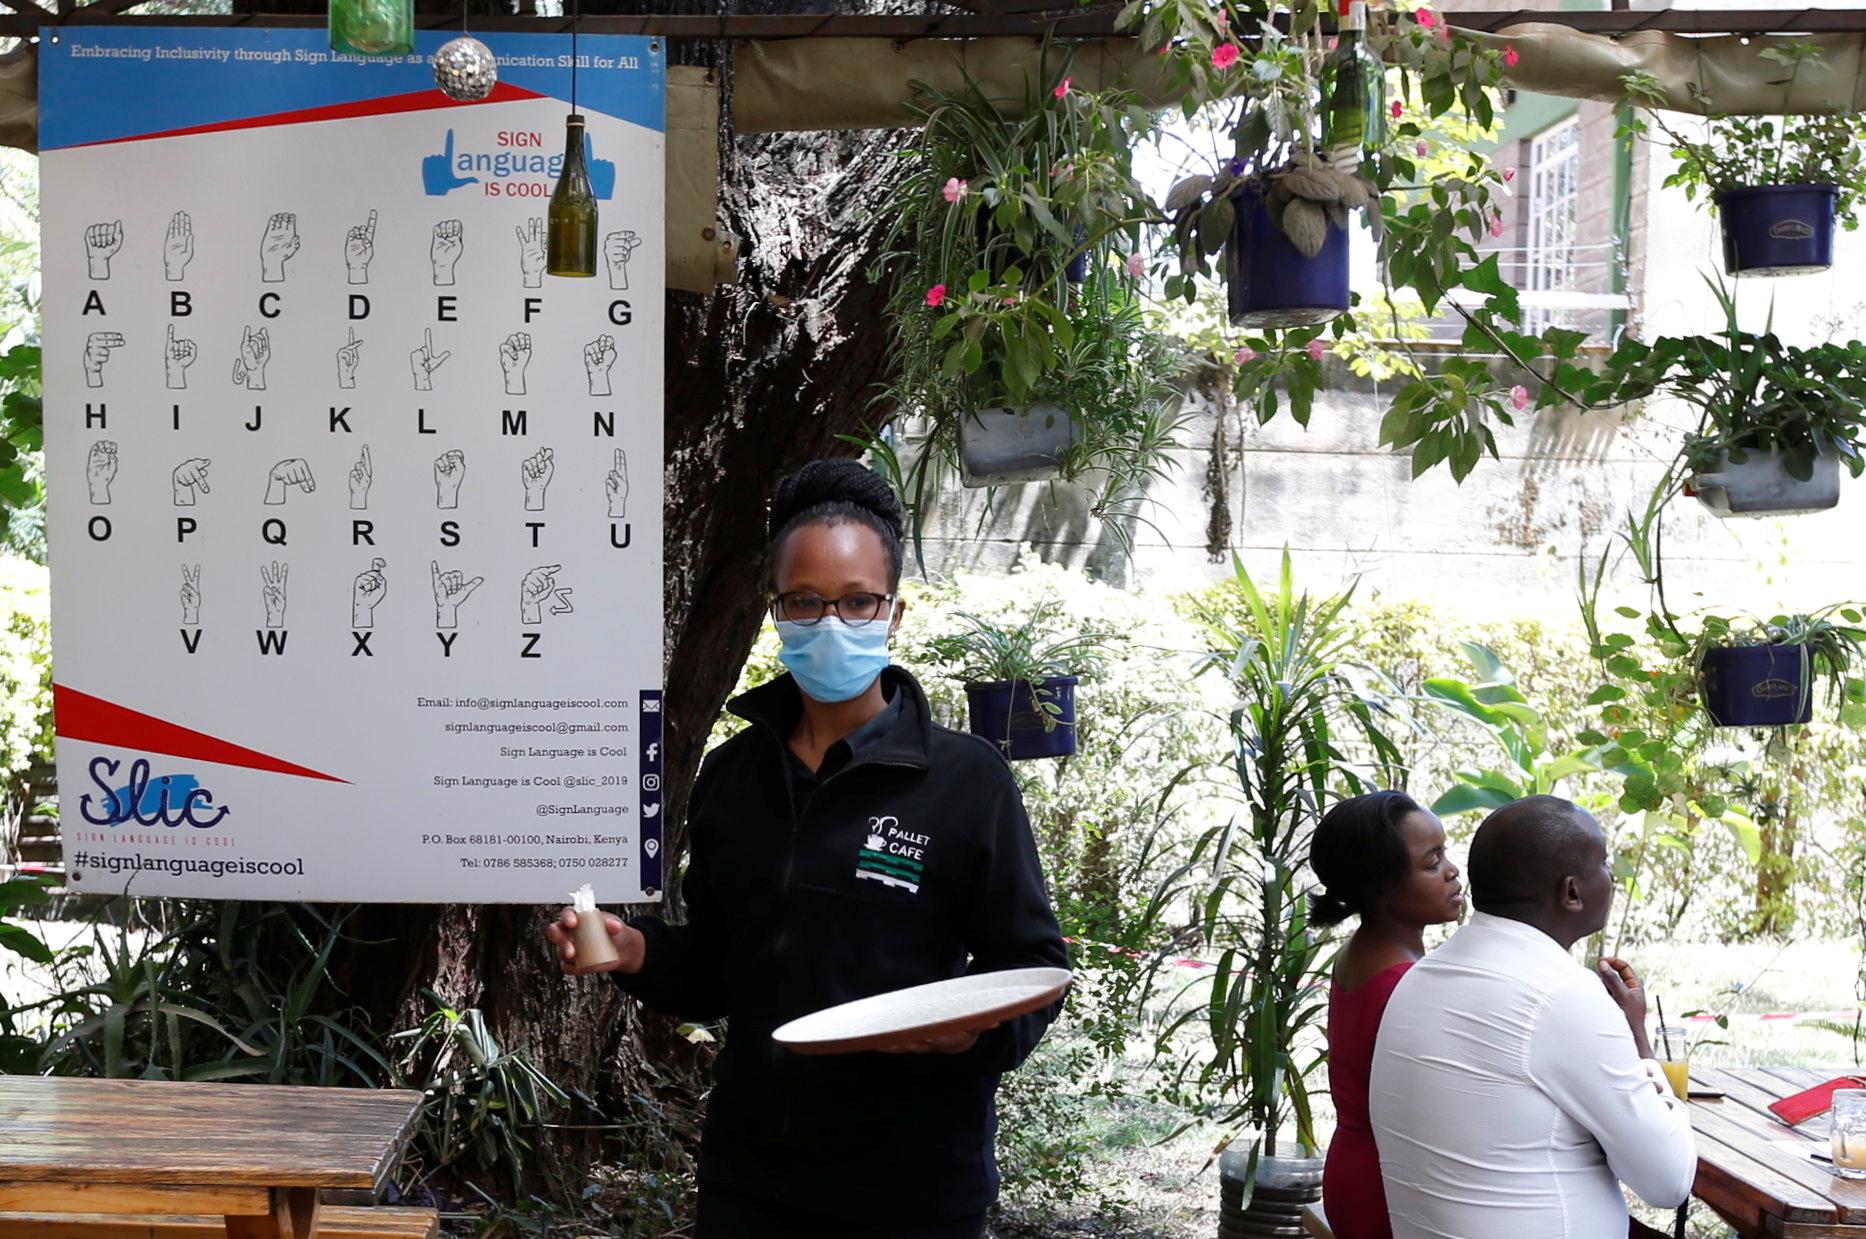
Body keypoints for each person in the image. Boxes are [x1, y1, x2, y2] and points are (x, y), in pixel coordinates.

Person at [545, 459, 1068, 1239]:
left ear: (894, 614)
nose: (832, 622)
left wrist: (976, 1033)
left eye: (858, 601)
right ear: (777, 612)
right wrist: (636, 953)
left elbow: (1034, 968)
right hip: (753, 1181)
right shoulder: (734, 777)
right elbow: (723, 970)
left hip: (916, 1185)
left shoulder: (966, 782)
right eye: (806, 601)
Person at [1369, 795, 1696, 1239]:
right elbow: (1669, 1180)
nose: (1612, 876)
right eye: (1602, 863)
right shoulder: (1562, 994)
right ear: (1572, 893)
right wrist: (1638, 1037)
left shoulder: (1420, 978)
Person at [1308, 791, 1463, 1239]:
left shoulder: (1360, 952)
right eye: (1432, 863)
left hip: (1355, 1169)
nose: (1452, 871)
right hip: (1390, 1188)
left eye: (1445, 854)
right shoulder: (1404, 983)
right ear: (1382, 886)